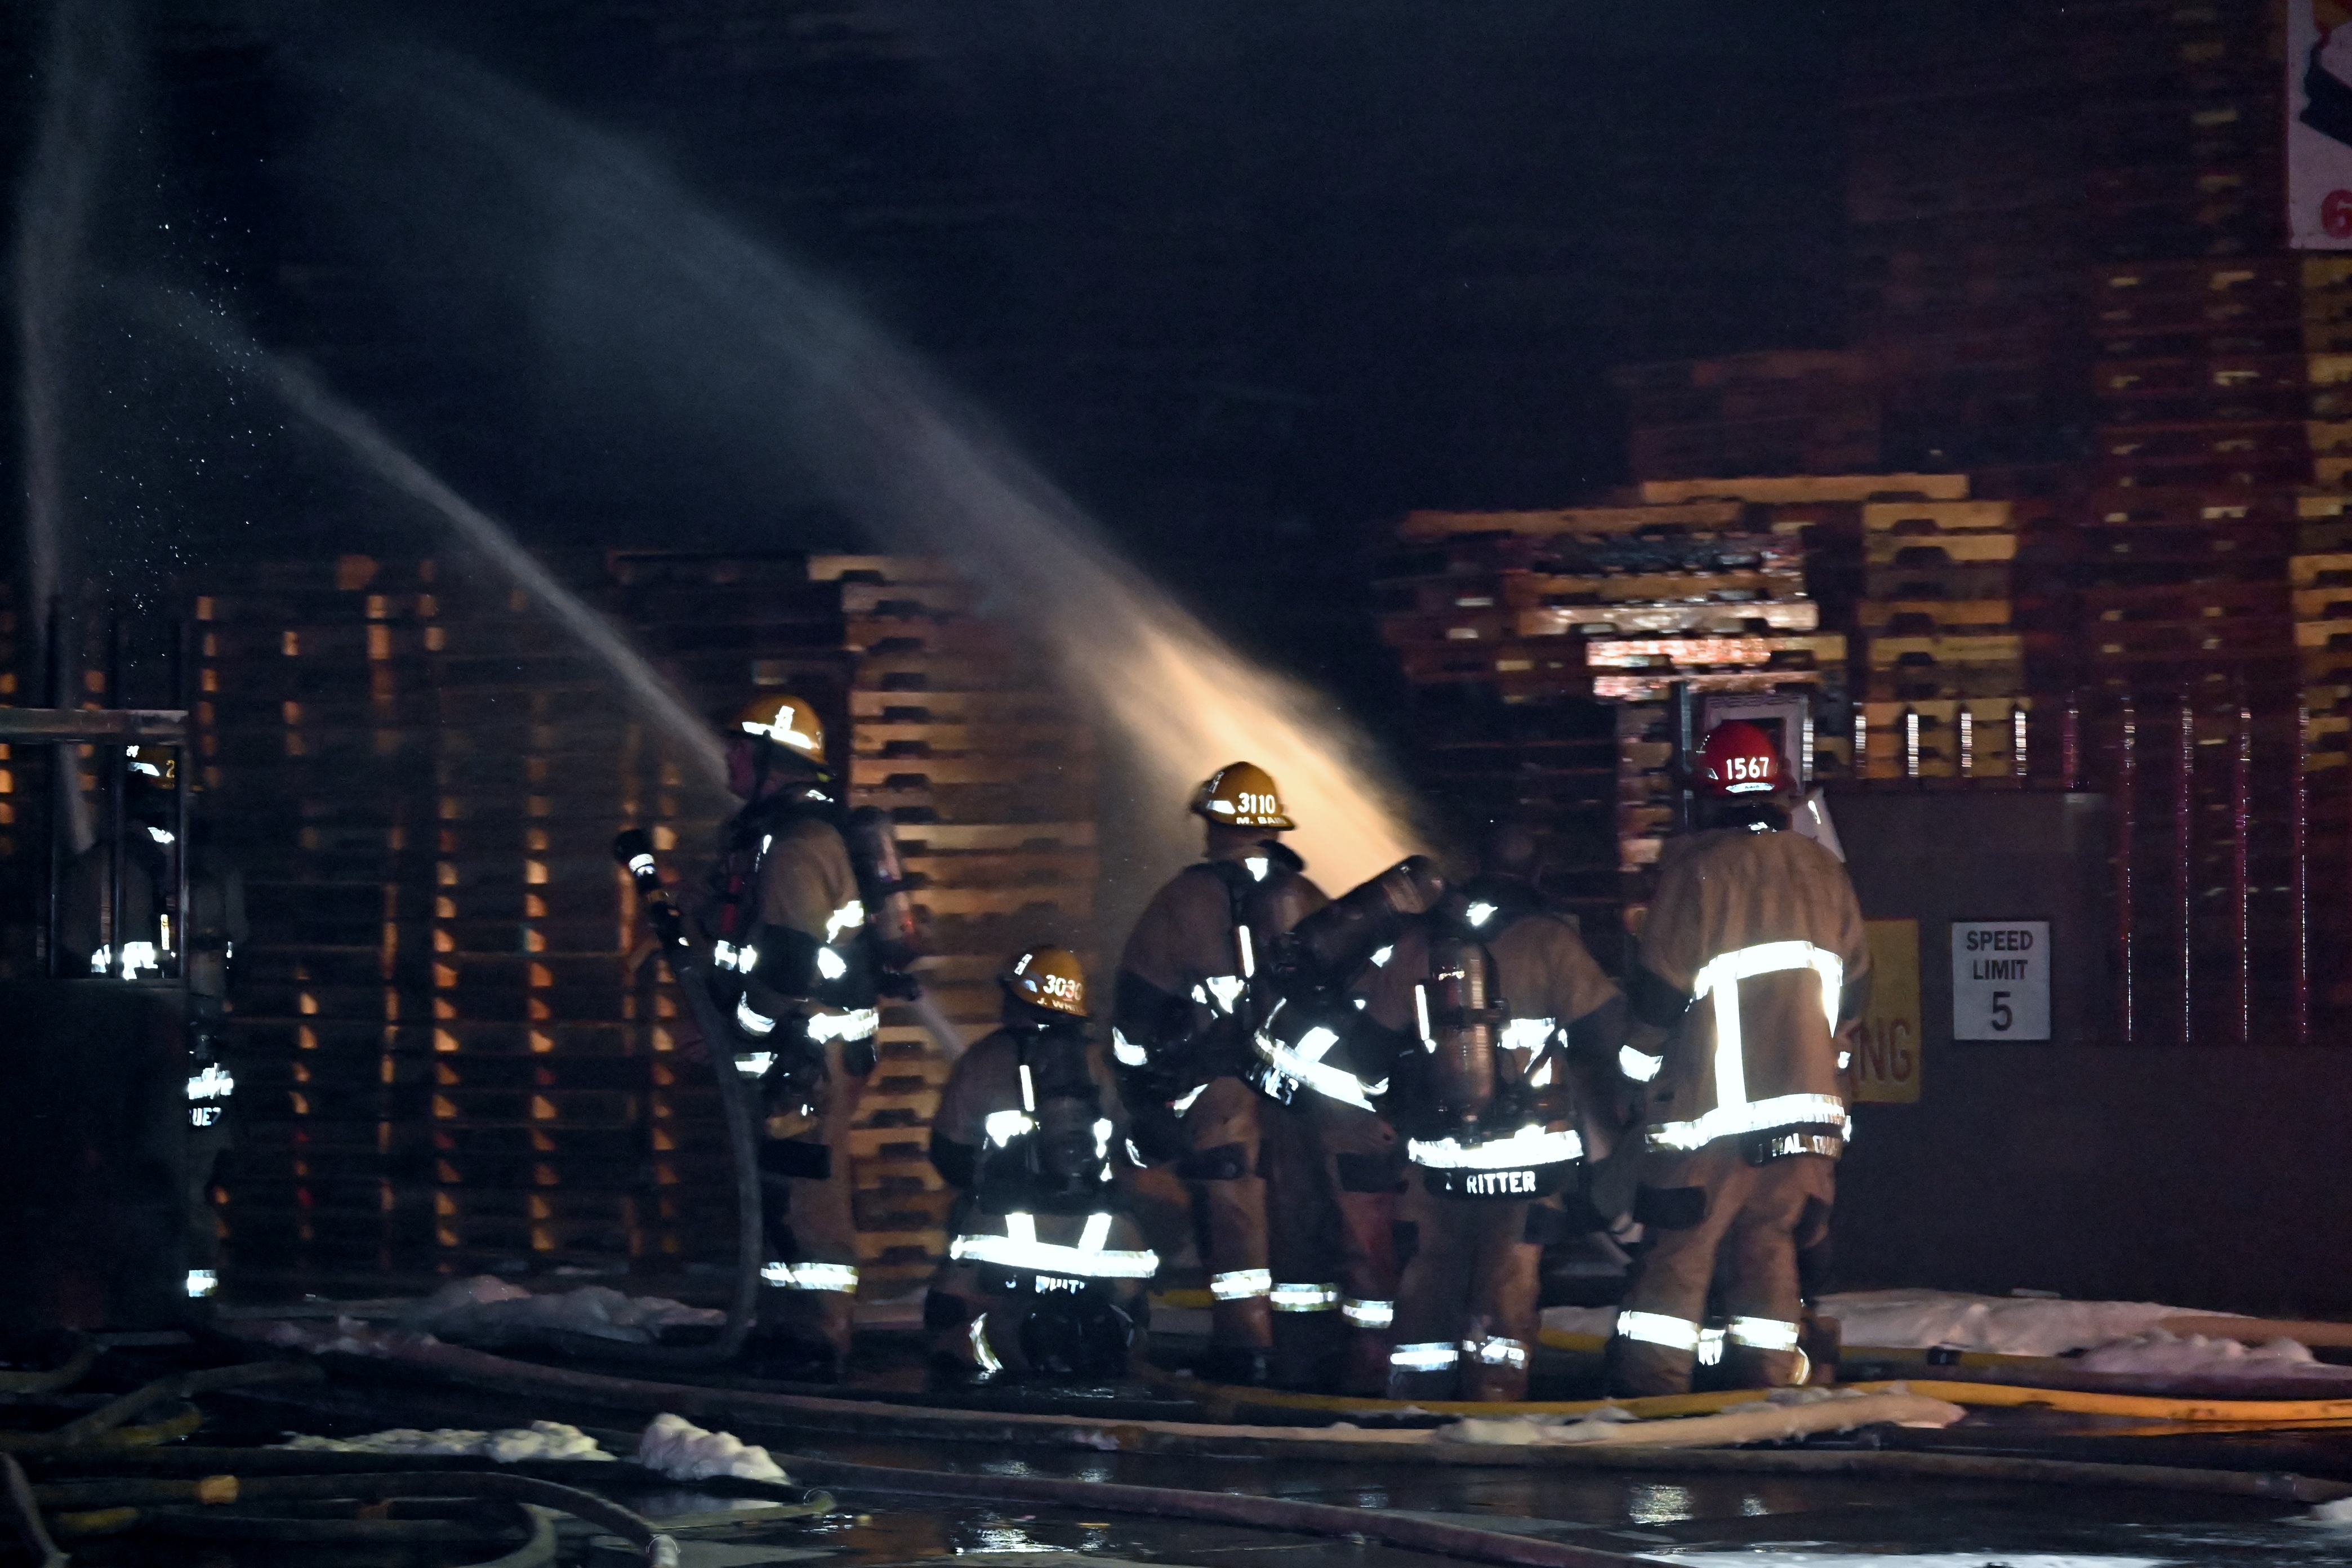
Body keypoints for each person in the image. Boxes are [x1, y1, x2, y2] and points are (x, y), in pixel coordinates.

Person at [1603, 720, 1870, 1397]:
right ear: (1779, 792)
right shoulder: (1826, 872)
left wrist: (1632, 1079)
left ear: (1706, 796)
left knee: (1679, 1259)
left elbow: (1658, 997)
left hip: (1710, 1121)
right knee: (1769, 1252)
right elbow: (1856, 995)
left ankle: (1651, 1406)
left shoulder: (1696, 872)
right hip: (1806, 1121)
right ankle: (1766, 1398)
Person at [1358, 822, 1626, 1401]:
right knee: (1510, 1283)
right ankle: (1496, 1407)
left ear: (1474, 865)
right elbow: (1609, 1039)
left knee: (1430, 1277)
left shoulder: (1421, 944)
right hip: (1529, 1161)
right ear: (1537, 872)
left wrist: (1393, 1109)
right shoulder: (1551, 942)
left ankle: (1414, 1407)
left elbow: (1367, 1054)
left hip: (1438, 1162)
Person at [1110, 762, 1329, 1385]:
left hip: (1222, 1096)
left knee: (1234, 1226)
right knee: (1301, 1224)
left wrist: (1141, 1091)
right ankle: (1310, 1353)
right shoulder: (1312, 899)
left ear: (1215, 825)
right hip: (1304, 1097)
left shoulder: (1184, 899)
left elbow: (1136, 1007)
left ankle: (1245, 1352)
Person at [691, 692, 881, 1377]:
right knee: (778, 1196)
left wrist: (741, 1029)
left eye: (742, 748)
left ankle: (821, 1337)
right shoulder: (767, 838)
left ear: (774, 758)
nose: (729, 757)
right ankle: (783, 1326)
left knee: (808, 1200)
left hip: (807, 1055)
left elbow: (789, 965)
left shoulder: (800, 848)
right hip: (787, 1051)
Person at [925, 947, 1157, 1381]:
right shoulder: (1102, 1063)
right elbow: (1138, 1145)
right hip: (1105, 1237)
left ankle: (996, 1358)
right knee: (1130, 1318)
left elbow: (949, 1155)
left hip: (1002, 1232)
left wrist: (986, 1186)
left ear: (1018, 1000)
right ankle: (1106, 1354)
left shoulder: (983, 1061)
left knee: (948, 1318)